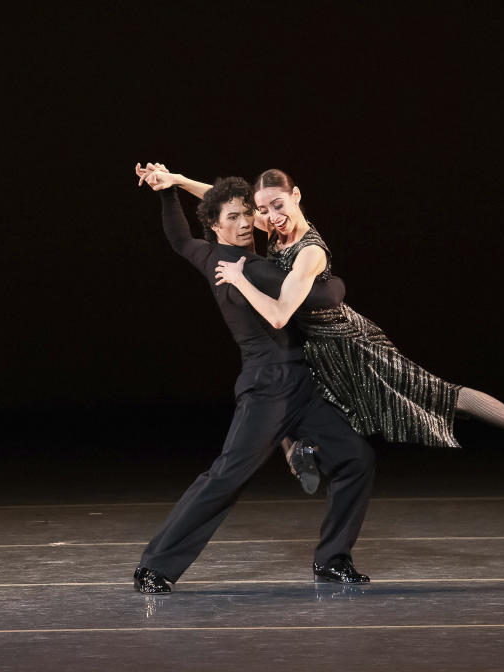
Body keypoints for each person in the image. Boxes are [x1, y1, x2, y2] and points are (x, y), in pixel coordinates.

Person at [137, 164, 504, 470]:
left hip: (348, 342)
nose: (269, 217)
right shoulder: (267, 225)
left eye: (279, 205)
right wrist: (174, 179)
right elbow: (222, 207)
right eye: (263, 209)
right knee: (281, 387)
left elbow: (278, 315)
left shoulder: (309, 250)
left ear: (296, 197)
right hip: (311, 345)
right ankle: (299, 453)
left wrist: (238, 279)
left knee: (437, 393)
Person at [132, 170, 376, 594]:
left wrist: (169, 190)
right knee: (226, 476)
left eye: (249, 214)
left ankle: (332, 559)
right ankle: (154, 566)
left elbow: (177, 238)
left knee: (356, 459)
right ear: (215, 224)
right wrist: (334, 277)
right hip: (268, 386)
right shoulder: (250, 269)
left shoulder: (207, 255)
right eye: (234, 217)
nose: (246, 223)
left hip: (300, 383)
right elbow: (324, 296)